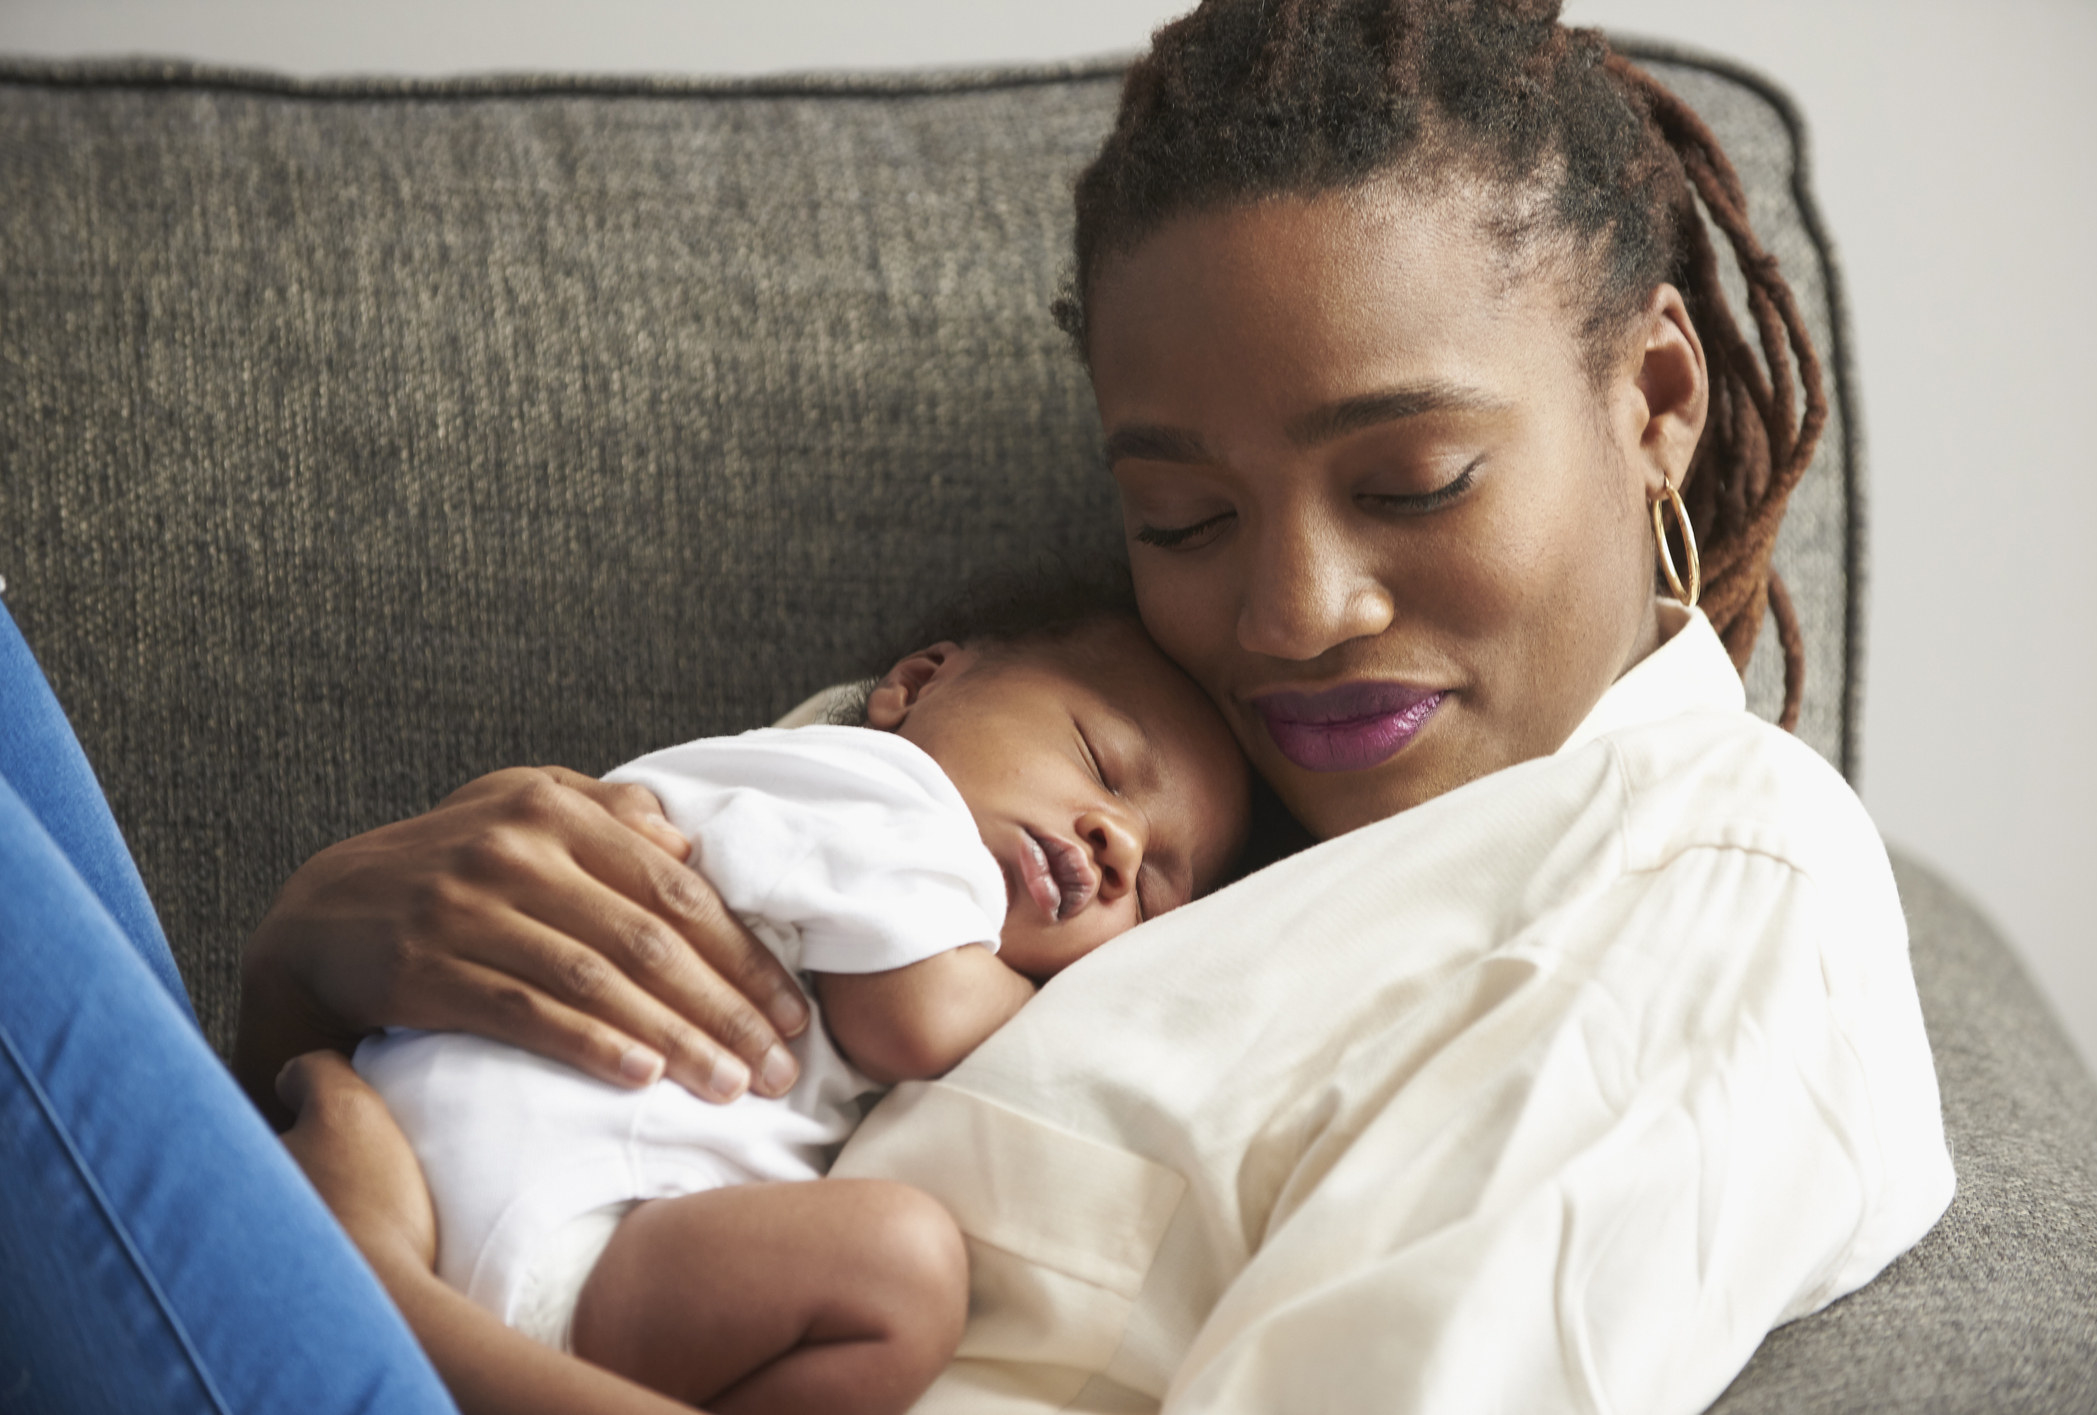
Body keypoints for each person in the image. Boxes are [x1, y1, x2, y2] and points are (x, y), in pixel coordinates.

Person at [1, 2, 1954, 1412]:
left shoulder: (1695, 883)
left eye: (1412, 477)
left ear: (1658, 402)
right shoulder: (1122, 741)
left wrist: (381, 1292)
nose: (1286, 611)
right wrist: (318, 955)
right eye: (1179, 513)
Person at [350, 594, 1250, 1414]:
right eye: (1100, 759)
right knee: (903, 1266)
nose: (1119, 839)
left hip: (467, 1162)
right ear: (918, 683)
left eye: (1155, 895)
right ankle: (409, 1317)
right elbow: (914, 1019)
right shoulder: (883, 789)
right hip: (533, 1192)